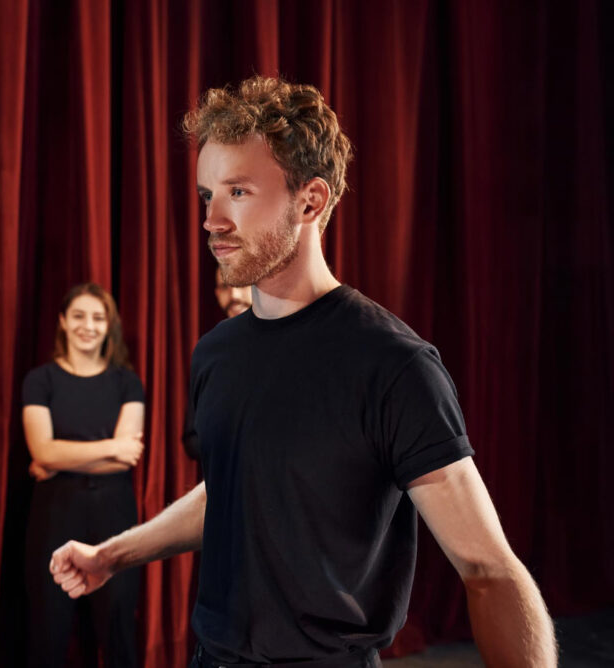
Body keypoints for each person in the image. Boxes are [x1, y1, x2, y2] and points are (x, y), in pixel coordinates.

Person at [50, 77, 557, 667]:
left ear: (311, 201)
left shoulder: (392, 363)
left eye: (237, 191)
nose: (211, 220)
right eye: (205, 195)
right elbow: (236, 492)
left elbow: (488, 571)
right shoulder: (216, 353)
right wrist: (112, 555)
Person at [22, 283, 145, 667]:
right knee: (48, 629)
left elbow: (128, 458)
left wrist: (60, 457)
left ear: (109, 325)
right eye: (78, 316)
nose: (87, 326)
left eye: (97, 317)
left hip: (115, 514)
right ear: (62, 321)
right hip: (54, 513)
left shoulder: (127, 382)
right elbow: (42, 450)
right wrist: (109, 446)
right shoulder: (40, 380)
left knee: (119, 627)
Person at [183, 268, 255, 460]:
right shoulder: (207, 352)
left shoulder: (285, 343)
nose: (234, 295)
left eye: (242, 284)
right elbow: (192, 439)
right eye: (225, 287)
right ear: (217, 293)